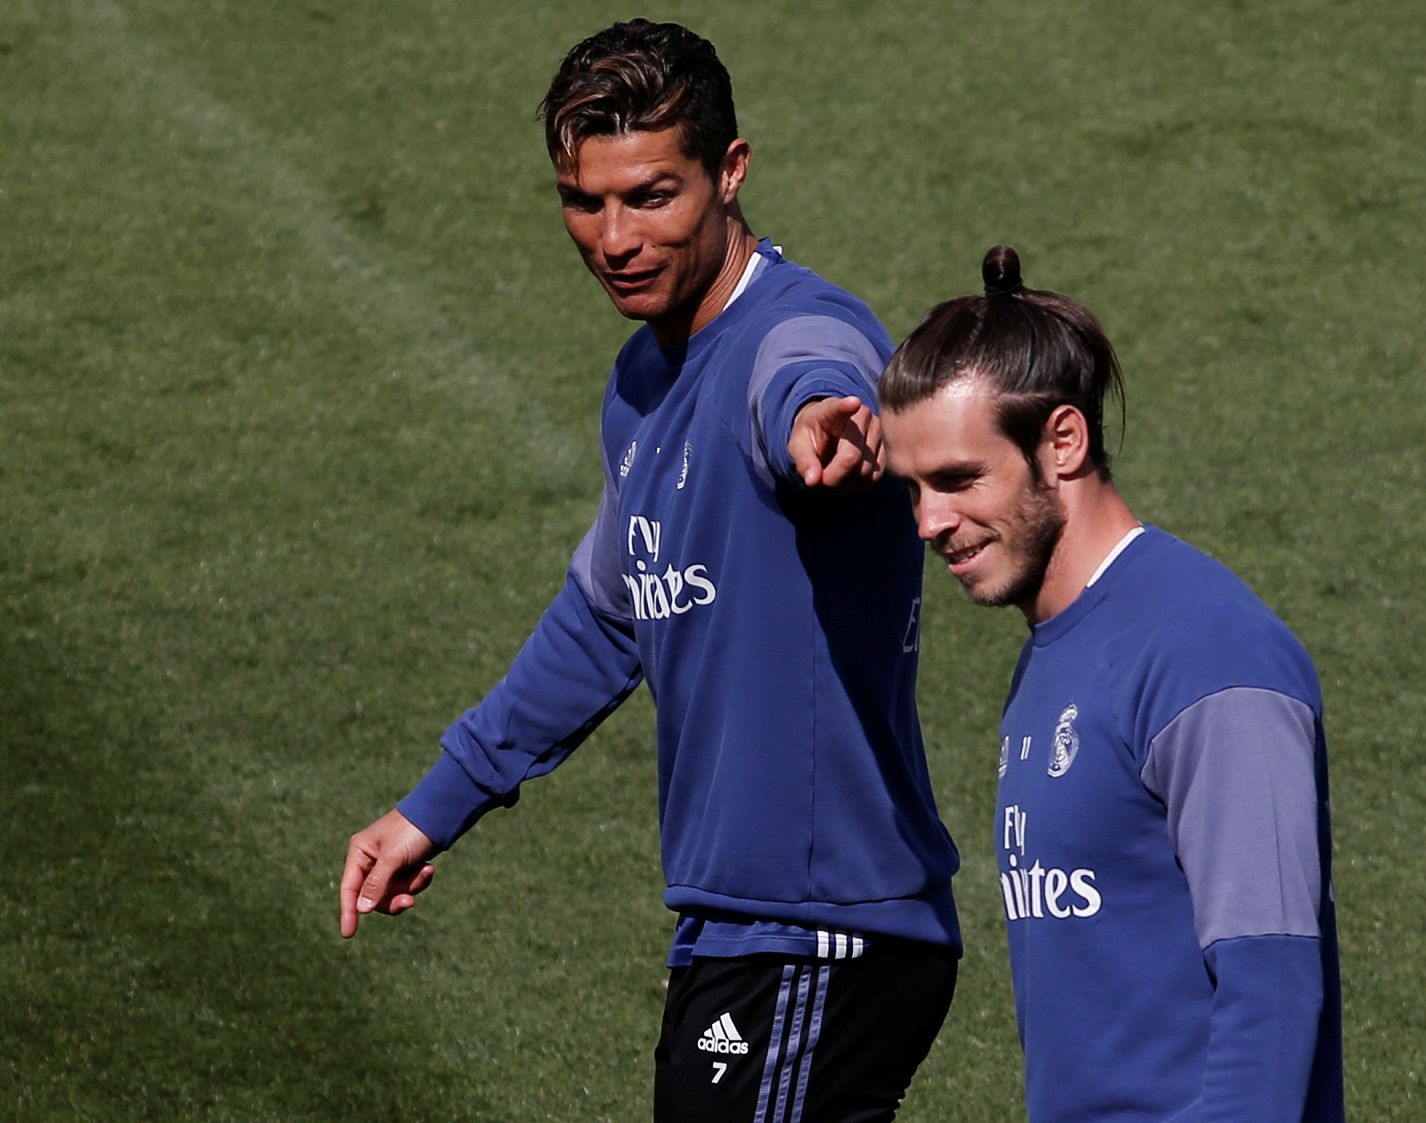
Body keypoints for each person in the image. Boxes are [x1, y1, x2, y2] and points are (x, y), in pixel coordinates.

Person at [337, 19, 961, 1123]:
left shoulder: (797, 329)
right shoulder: (641, 382)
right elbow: (604, 618)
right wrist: (434, 806)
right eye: (587, 202)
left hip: (823, 927)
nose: (615, 237)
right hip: (740, 925)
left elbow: (810, 374)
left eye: (652, 196)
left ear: (730, 172)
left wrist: (826, 421)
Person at [878, 245, 1344, 1122]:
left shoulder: (1208, 655)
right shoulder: (1055, 650)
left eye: (957, 480)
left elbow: (1272, 988)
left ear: (1062, 441)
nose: (928, 522)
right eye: (912, 488)